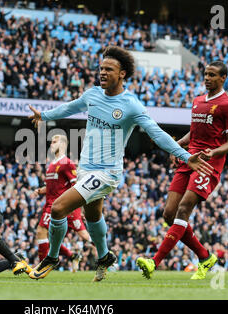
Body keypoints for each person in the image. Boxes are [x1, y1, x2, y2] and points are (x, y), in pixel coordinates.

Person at [28, 46, 213, 281]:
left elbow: (156, 133)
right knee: (92, 216)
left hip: (107, 173)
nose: (102, 73)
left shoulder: (131, 105)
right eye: (101, 68)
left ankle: (51, 258)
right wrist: (43, 116)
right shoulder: (92, 95)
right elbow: (69, 107)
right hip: (86, 168)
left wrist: (186, 156)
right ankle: (104, 256)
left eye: (109, 69)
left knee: (58, 208)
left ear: (122, 73)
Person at [136, 60, 228, 280]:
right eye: (206, 74)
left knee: (184, 209)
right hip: (189, 159)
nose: (207, 78)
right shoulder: (198, 101)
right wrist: (178, 147)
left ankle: (154, 262)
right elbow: (193, 133)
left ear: (223, 78)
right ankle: (205, 256)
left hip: (207, 164)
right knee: (169, 214)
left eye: (212, 75)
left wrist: (214, 152)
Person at [33, 134, 92, 272]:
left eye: (55, 142)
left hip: (58, 206)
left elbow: (76, 187)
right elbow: (50, 187)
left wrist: (79, 209)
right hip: (50, 205)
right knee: (48, 236)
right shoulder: (51, 165)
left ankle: (44, 265)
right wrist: (39, 191)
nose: (51, 144)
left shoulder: (67, 163)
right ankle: (72, 256)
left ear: (63, 145)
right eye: (51, 142)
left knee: (41, 232)